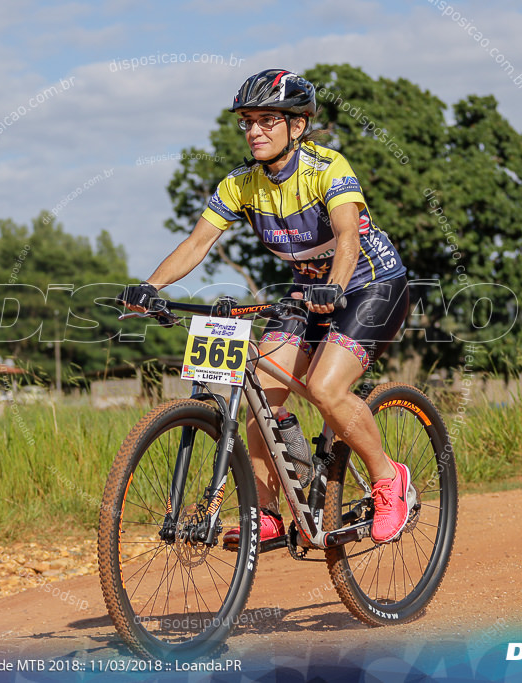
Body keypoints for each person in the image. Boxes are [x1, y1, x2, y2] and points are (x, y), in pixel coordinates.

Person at [120, 69, 410, 544]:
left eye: (267, 120)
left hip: (370, 284)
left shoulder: (327, 167)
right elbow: (197, 243)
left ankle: (388, 478)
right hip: (307, 291)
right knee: (260, 391)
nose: (254, 131)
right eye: (248, 121)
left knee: (325, 389)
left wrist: (334, 288)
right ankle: (269, 511)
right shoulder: (241, 184)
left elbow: (347, 236)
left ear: (297, 125)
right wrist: (149, 286)